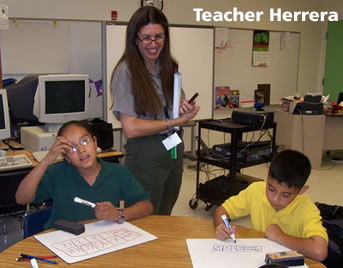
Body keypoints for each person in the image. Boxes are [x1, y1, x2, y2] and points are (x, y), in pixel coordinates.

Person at [111, 6, 199, 215]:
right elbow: (131, 128)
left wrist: (182, 109)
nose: (153, 44)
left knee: (165, 213)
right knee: (145, 218)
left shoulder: (168, 65)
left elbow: (173, 105)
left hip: (173, 148)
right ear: (135, 39)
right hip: (146, 153)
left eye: (159, 37)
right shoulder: (126, 71)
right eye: (146, 38)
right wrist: (174, 122)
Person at [16, 120, 152, 229]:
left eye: (84, 141)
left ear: (95, 142)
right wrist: (46, 161)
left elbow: (146, 205)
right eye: (72, 148)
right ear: (66, 157)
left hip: (102, 239)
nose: (81, 150)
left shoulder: (117, 172)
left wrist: (119, 214)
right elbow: (22, 198)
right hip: (63, 240)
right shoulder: (56, 173)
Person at [213, 149, 328, 262]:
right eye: (271, 189)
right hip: (260, 259)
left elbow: (319, 251)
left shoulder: (306, 208)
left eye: (286, 195)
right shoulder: (256, 190)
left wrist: (279, 236)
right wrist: (222, 226)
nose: (275, 199)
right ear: (267, 175)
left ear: (301, 190)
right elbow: (222, 210)